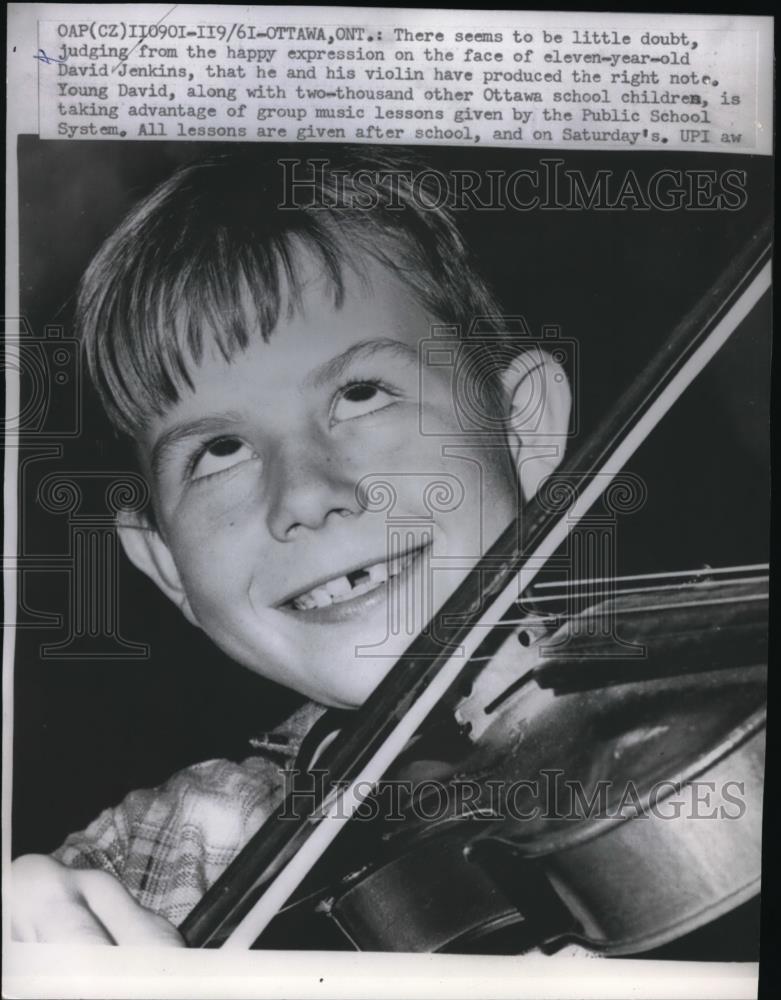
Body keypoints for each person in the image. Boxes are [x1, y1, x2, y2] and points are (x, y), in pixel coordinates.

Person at [11, 147, 571, 945]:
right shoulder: (154, 860)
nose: (304, 494)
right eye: (220, 451)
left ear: (522, 428)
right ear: (165, 565)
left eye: (360, 394)